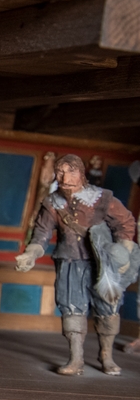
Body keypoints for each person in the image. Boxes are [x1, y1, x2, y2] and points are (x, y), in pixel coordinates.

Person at [16, 154, 136, 376]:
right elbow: (41, 234)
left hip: (103, 262)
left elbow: (125, 222)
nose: (65, 178)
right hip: (70, 262)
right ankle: (76, 359)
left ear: (81, 173)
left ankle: (106, 356)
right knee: (71, 307)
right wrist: (30, 254)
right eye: (60, 172)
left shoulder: (102, 198)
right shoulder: (52, 203)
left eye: (71, 171)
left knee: (108, 308)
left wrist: (124, 252)